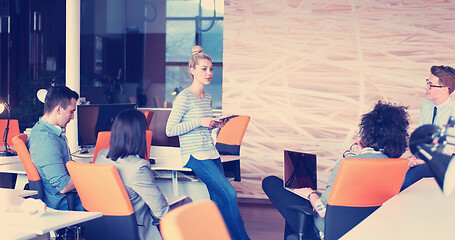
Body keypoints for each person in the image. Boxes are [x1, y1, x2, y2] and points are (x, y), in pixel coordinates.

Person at [262, 101, 410, 240]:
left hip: (327, 233)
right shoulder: (398, 167)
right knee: (297, 210)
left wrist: (311, 193)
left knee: (271, 183)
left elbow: (323, 211)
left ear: (366, 134)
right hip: (366, 231)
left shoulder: (349, 164)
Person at [166, 46, 250, 240]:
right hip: (194, 155)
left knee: (218, 199)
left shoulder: (208, 97)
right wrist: (200, 121)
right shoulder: (184, 97)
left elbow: (202, 127)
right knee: (229, 194)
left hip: (211, 153)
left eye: (211, 69)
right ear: (192, 70)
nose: (209, 73)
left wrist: (215, 125)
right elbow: (170, 130)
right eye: (204, 69)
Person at [96, 109, 191, 240]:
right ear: (139, 135)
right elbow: (161, 211)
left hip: (105, 225)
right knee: (187, 203)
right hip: (137, 227)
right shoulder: (138, 167)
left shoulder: (101, 155)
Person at [27, 86, 84, 210]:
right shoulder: (47, 141)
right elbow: (64, 186)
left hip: (72, 197)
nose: (73, 117)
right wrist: (90, 177)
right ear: (59, 109)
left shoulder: (43, 130)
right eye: (71, 111)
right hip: (66, 203)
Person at [402, 65, 455, 190]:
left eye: (431, 85)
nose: (426, 87)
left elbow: (448, 149)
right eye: (427, 82)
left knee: (409, 178)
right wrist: (414, 157)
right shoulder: (427, 104)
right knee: (398, 171)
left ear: (445, 89)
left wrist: (420, 161)